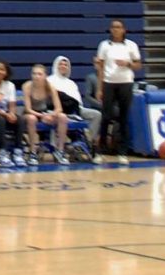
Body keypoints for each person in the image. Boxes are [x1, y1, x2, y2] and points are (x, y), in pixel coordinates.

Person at [94, 18, 141, 165]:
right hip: (109, 84)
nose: (115, 29)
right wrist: (100, 88)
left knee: (124, 118)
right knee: (106, 117)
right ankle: (100, 151)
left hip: (126, 84)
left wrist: (127, 63)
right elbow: (100, 68)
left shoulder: (131, 45)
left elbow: (138, 65)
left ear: (124, 30)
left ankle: (122, 152)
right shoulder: (104, 45)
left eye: (118, 27)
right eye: (113, 27)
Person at [49, 56, 102, 152]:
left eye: (65, 65)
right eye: (61, 64)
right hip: (59, 111)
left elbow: (78, 102)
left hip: (77, 110)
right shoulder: (49, 81)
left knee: (97, 115)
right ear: (56, 65)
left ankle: (89, 141)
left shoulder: (71, 83)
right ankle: (57, 147)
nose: (63, 66)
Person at [20, 65, 69, 165]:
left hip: (44, 113)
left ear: (45, 76)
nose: (36, 76)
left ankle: (60, 151)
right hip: (30, 114)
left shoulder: (50, 86)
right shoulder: (27, 86)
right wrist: (43, 116)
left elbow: (58, 108)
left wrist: (51, 115)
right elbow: (28, 109)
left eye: (39, 74)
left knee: (63, 117)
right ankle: (32, 152)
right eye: (34, 74)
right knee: (32, 119)